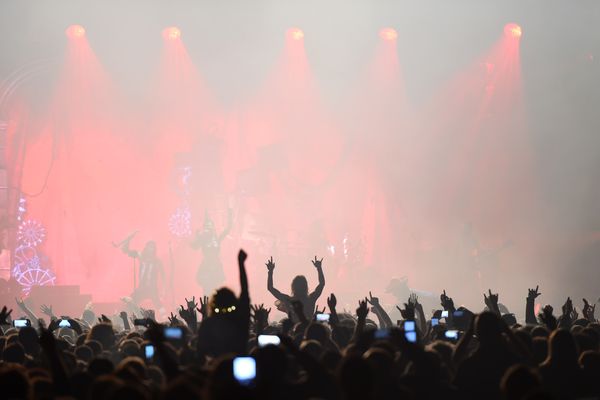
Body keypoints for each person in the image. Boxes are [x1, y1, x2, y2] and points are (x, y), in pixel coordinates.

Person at [266, 256, 325, 321]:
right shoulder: (311, 299)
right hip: (309, 330)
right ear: (306, 287)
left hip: (294, 330)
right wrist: (319, 268)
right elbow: (321, 284)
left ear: (293, 287)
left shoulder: (288, 300)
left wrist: (270, 271)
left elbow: (270, 288)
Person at [191, 209, 233, 294]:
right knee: (207, 291)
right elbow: (194, 246)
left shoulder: (217, 239)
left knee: (217, 291)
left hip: (216, 267)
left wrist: (230, 215)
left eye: (210, 227)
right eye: (207, 228)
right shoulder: (203, 239)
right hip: (207, 267)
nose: (209, 230)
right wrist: (197, 236)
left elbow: (228, 229)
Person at [119, 238, 165, 311]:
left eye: (152, 247)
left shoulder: (157, 261)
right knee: (132, 301)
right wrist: (129, 239)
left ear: (154, 249)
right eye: (149, 247)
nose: (150, 249)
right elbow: (126, 250)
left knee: (158, 304)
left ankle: (166, 318)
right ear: (146, 247)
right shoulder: (141, 256)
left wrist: (163, 290)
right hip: (142, 288)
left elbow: (163, 276)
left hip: (152, 288)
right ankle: (129, 316)